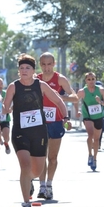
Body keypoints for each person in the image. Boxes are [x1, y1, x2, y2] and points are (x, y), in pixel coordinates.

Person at [3, 53, 68, 207]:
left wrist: (65, 116)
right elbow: (5, 108)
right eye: (21, 68)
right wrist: (3, 110)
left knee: (37, 171)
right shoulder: (13, 86)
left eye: (28, 68)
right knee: (25, 166)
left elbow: (58, 101)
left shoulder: (41, 85)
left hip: (39, 132)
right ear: (18, 71)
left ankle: (30, 179)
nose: (24, 70)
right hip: (20, 132)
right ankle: (26, 203)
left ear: (33, 70)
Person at [36, 52, 79, 199]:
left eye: (49, 64)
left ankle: (49, 184)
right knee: (40, 156)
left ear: (53, 64)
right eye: (43, 64)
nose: (46, 68)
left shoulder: (60, 79)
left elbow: (75, 98)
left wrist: (60, 97)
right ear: (40, 65)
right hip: (39, 122)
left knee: (52, 157)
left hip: (56, 121)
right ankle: (41, 186)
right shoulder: (36, 79)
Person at [77, 72, 104, 171]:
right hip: (87, 115)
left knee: (96, 139)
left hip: (98, 116)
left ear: (95, 80)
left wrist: (100, 102)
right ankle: (90, 154)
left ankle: (95, 158)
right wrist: (78, 110)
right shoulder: (82, 91)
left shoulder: (101, 90)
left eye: (93, 79)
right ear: (86, 81)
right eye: (89, 79)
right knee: (90, 134)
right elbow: (76, 100)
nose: (91, 81)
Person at [0, 77, 11, 170]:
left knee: (6, 137)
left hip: (5, 119)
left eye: (0, 84)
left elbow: (9, 108)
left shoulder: (6, 94)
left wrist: (4, 106)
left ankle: (6, 143)